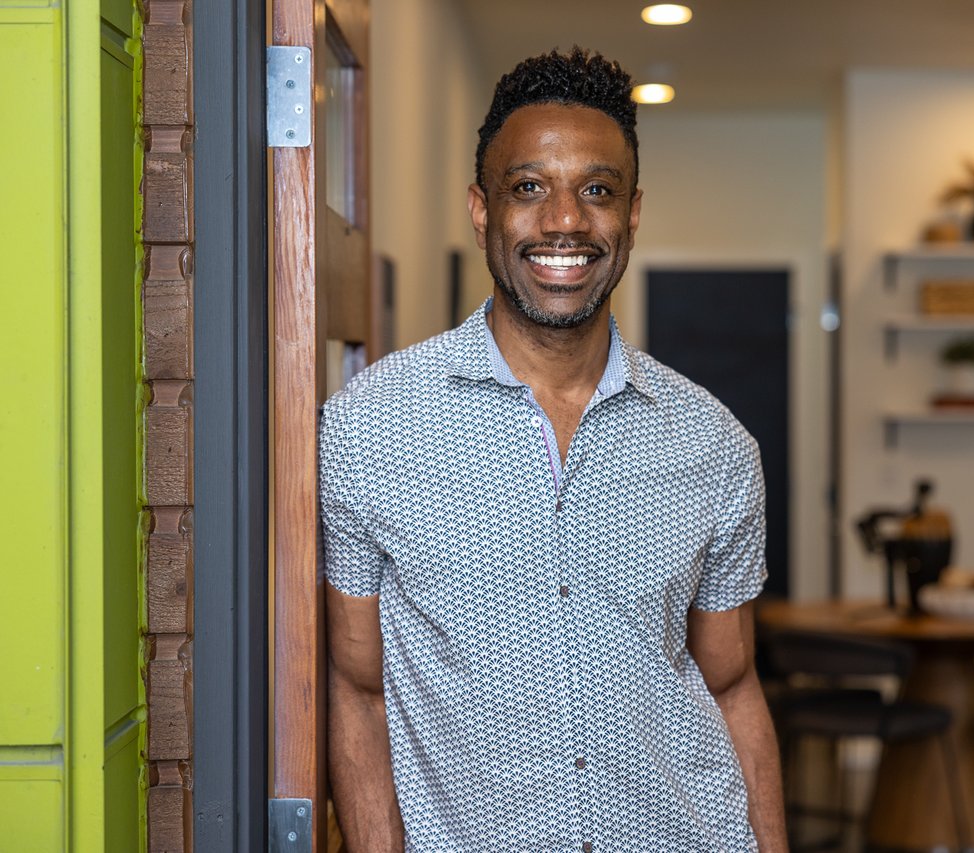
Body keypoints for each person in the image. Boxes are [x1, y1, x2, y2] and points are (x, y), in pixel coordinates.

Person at [321, 47, 786, 852]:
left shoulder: (714, 445)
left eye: (596, 191)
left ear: (632, 213)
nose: (565, 221)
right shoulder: (370, 427)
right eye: (528, 188)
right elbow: (358, 693)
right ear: (481, 209)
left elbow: (734, 683)